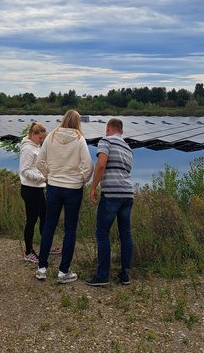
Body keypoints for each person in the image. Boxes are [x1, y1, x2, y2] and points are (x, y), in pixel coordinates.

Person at [35, 110, 93, 284]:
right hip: (73, 189)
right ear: (77, 122)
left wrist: (48, 175)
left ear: (63, 120)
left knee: (49, 226)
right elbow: (89, 165)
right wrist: (81, 180)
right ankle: (63, 271)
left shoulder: (50, 137)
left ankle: (42, 269)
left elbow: (39, 162)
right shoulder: (79, 139)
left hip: (54, 187)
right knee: (70, 229)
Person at [86, 118, 134, 286]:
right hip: (128, 194)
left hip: (112, 194)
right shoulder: (128, 148)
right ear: (121, 131)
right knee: (126, 234)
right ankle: (125, 275)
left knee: (102, 233)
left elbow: (101, 164)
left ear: (108, 129)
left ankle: (102, 276)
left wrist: (93, 188)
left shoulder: (105, 140)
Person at [19, 122, 48, 263]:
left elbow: (37, 166)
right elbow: (24, 171)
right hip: (30, 190)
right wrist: (43, 178)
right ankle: (28, 252)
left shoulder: (35, 146)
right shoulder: (28, 149)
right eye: (40, 138)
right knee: (31, 220)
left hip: (38, 188)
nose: (41, 140)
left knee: (45, 216)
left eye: (43, 138)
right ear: (33, 135)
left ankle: (46, 245)